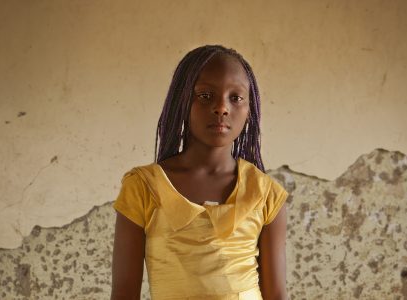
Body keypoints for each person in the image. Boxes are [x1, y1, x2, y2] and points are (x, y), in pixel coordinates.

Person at [111, 45, 288, 300]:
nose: (222, 108)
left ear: (250, 111)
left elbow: (277, 295)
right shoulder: (143, 187)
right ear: (182, 102)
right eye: (205, 96)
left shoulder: (265, 194)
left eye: (235, 97)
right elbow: (124, 294)